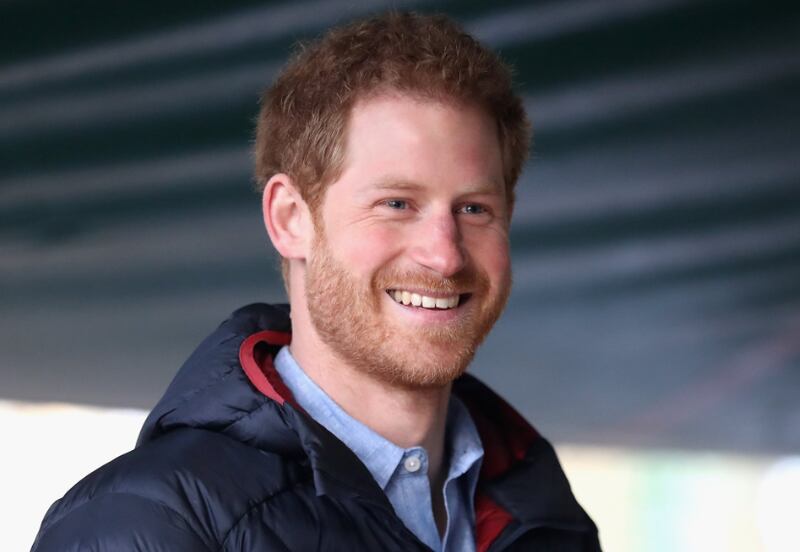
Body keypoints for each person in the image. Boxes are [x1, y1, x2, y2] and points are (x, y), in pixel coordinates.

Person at [32, 12, 599, 552]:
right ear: (290, 219)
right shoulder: (147, 523)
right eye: (397, 203)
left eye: (474, 209)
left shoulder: (551, 520)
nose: (445, 255)